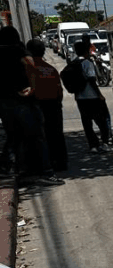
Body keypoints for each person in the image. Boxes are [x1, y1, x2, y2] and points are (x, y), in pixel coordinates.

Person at [26, 39, 67, 172]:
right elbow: (59, 91)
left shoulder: (29, 70)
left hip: (37, 106)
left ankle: (45, 164)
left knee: (41, 136)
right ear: (43, 51)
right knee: (57, 134)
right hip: (54, 105)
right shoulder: (51, 70)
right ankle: (61, 162)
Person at [0, 26, 36, 176]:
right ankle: (23, 168)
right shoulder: (18, 50)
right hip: (20, 97)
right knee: (27, 134)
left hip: (3, 99)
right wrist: (32, 87)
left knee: (11, 134)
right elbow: (31, 64)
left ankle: (6, 166)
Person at [72, 40, 113, 153]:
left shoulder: (73, 63)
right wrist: (99, 95)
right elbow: (91, 80)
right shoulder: (87, 63)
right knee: (101, 121)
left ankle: (93, 145)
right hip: (92, 97)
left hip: (80, 98)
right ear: (86, 51)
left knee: (87, 123)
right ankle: (104, 142)